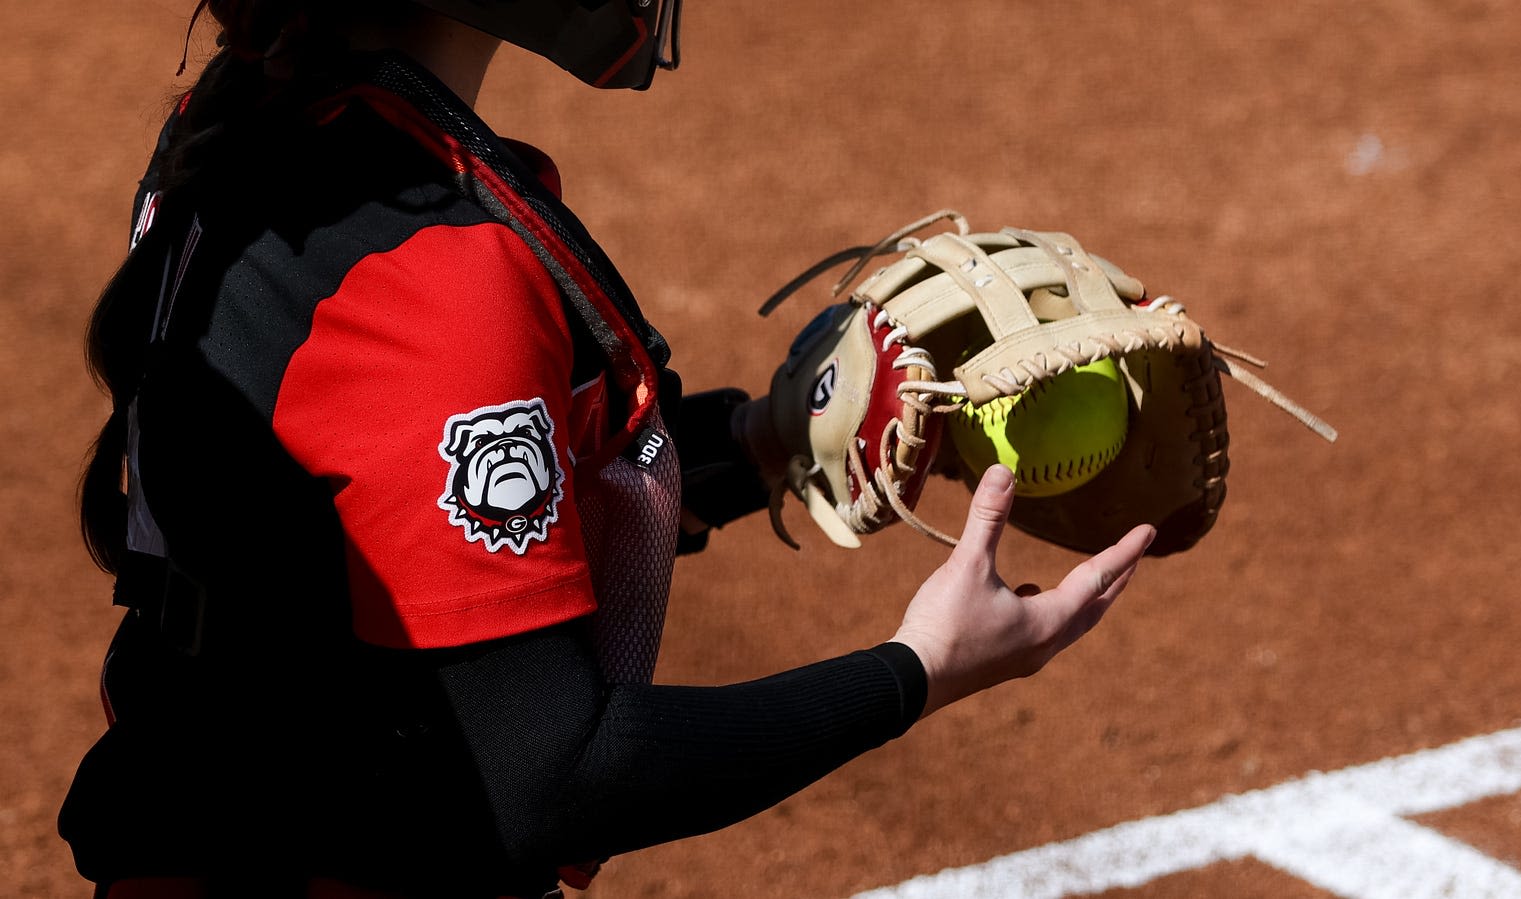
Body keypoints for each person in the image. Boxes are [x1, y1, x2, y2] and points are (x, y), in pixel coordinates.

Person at [59, 2, 1156, 896]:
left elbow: (383, 499)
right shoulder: (432, 271)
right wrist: (918, 667)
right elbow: (552, 771)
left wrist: (758, 440)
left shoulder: (249, 138)